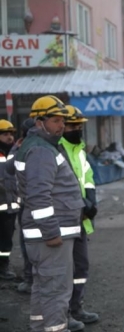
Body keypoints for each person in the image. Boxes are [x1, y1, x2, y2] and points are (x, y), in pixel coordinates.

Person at [15, 95, 86, 332]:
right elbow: (38, 195)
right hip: (51, 236)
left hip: (45, 234)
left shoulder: (38, 147)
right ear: (38, 122)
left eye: (62, 121)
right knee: (56, 289)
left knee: (44, 286)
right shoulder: (41, 151)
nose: (61, 126)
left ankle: (40, 326)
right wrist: (51, 231)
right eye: (55, 120)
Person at [60, 105, 100, 328]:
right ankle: (63, 314)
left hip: (81, 218)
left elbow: (87, 179)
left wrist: (91, 201)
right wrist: (84, 204)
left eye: (79, 126)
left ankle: (76, 308)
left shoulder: (80, 150)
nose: (77, 129)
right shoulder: (57, 150)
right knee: (64, 269)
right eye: (72, 125)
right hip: (65, 218)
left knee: (81, 266)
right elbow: (63, 186)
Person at [15, 118, 36, 294]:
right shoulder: (47, 147)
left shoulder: (25, 149)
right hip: (32, 204)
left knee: (29, 243)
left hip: (29, 205)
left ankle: (31, 279)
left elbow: (9, 169)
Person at [0, 119, 18, 280]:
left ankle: (4, 266)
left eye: (11, 134)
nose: (9, 137)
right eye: (5, 134)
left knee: (6, 240)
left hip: (10, 206)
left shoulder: (15, 152)